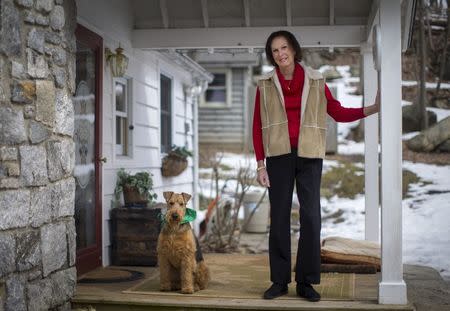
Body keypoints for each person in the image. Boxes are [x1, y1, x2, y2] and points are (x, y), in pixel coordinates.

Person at [252, 30, 379, 302]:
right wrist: (260, 165)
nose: (280, 54)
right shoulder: (264, 85)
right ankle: (279, 281)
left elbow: (337, 111)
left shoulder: (317, 80)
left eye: (284, 47)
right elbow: (257, 127)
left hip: (309, 156)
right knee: (280, 219)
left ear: (294, 49)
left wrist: (370, 109)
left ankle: (306, 282)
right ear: (271, 56)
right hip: (278, 157)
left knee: (311, 218)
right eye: (274, 51)